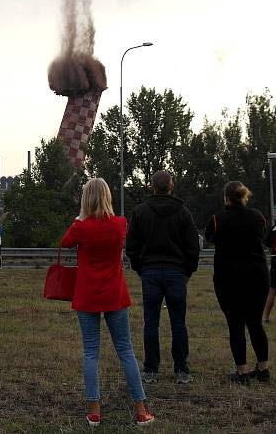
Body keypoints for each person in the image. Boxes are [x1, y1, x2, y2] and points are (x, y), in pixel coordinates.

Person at [61, 178, 154, 428]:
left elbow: (65, 241)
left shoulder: (81, 227)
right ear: (108, 197)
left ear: (86, 199)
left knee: (91, 352)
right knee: (126, 351)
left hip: (88, 295)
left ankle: (94, 411)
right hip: (114, 294)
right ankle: (140, 409)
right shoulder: (120, 225)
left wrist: (80, 217)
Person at [125, 171, 199, 385]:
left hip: (150, 271)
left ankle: (151, 370)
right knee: (178, 323)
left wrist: (140, 267)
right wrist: (187, 271)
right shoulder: (183, 213)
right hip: (176, 272)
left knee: (151, 322)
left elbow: (132, 245)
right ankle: (181, 370)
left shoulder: (140, 212)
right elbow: (192, 246)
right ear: (171, 186)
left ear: (153, 187)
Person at [204, 181, 270, 384]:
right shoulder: (257, 216)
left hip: (229, 277)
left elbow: (209, 238)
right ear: (244, 196)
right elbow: (263, 235)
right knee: (255, 323)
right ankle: (263, 368)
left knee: (235, 324)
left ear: (226, 198)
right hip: (257, 275)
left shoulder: (217, 219)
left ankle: (242, 371)